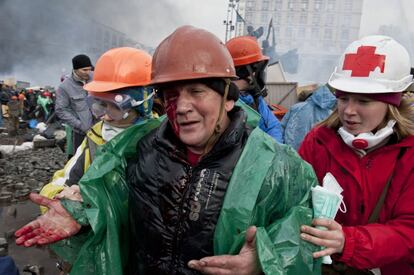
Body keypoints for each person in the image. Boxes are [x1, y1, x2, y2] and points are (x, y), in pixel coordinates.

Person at [16, 26, 320, 275]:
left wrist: (264, 261)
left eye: (197, 91)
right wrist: (80, 214)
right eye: (172, 95)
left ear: (228, 98)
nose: (183, 107)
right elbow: (111, 204)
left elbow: (305, 233)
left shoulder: (276, 166)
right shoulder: (136, 150)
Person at [298, 35, 414, 274]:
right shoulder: (317, 142)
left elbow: (409, 230)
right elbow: (292, 207)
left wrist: (348, 242)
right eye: (343, 98)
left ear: (392, 104)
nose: (349, 111)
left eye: (363, 101)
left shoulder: (410, 154)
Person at [226, 35, 284, 143]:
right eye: (257, 69)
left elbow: (273, 126)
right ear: (245, 72)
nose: (259, 74)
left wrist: (274, 149)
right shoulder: (228, 106)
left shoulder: (253, 97)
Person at [55, 54, 94, 157]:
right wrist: (80, 125)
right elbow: (61, 110)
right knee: (80, 159)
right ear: (75, 69)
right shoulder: (65, 87)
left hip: (100, 129)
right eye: (84, 70)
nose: (88, 73)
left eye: (89, 69)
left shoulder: (95, 78)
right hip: (81, 133)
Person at [281, 85, 336, 150]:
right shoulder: (331, 114)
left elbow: (281, 127)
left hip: (292, 151)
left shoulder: (296, 108)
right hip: (316, 154)